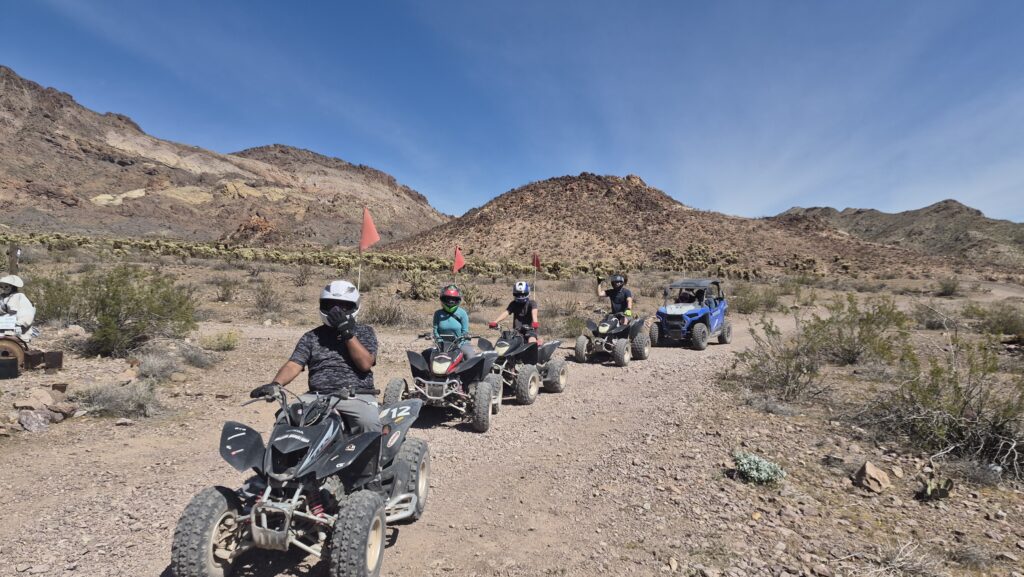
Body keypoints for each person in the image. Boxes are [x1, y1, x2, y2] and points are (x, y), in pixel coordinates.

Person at [251, 280, 382, 434]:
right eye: (330, 305)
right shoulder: (312, 336)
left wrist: (346, 332)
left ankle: (371, 458)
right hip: (317, 397)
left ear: (353, 307)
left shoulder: (364, 332)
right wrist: (276, 384)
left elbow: (365, 364)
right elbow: (294, 364)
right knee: (285, 419)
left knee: (368, 424)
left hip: (356, 396)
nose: (335, 311)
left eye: (342, 306)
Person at [432, 284, 476, 357]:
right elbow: (435, 330)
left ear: (457, 300)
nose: (450, 301)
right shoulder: (438, 314)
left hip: (461, 344)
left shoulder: (462, 313)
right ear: (443, 299)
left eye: (453, 299)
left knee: (470, 356)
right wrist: (439, 342)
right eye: (448, 299)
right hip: (442, 344)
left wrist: (458, 344)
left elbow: (465, 331)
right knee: (430, 356)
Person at [0, 275, 36, 342]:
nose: (4, 288)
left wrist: (19, 324)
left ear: (12, 287)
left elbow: (27, 312)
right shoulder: (2, 297)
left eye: (6, 286)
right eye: (1, 287)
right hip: (4, 325)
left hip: (17, 328)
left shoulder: (19, 296)